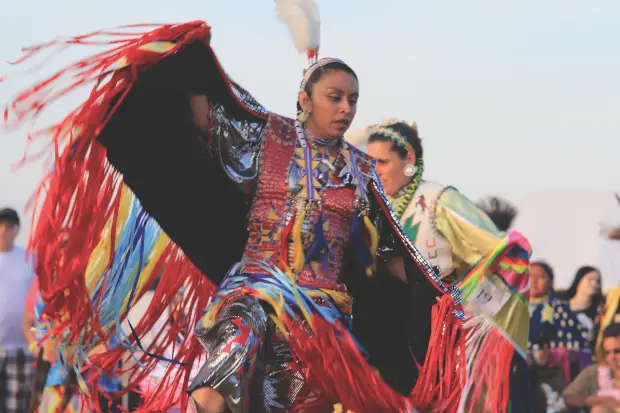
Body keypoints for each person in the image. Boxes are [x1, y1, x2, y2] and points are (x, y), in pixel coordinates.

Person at [3, 7, 465, 413]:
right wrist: (193, 65)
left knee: (288, 403)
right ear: (305, 99)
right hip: (258, 290)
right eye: (335, 97)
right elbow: (209, 121)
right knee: (228, 360)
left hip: (321, 318)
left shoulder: (361, 170)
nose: (346, 108)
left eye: (352, 100)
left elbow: (387, 254)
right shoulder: (272, 138)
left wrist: (439, 297)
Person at [360, 120, 532, 412]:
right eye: (370, 162)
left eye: (383, 162)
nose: (375, 169)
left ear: (409, 159)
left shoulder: (439, 200)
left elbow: (494, 250)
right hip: (391, 332)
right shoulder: (374, 206)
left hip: (440, 334)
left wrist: (467, 304)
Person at [0, 207, 37, 413]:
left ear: (17, 229)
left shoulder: (29, 259)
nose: (4, 230)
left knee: (18, 407)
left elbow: (39, 298)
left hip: (22, 348)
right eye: (0, 225)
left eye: (8, 225)